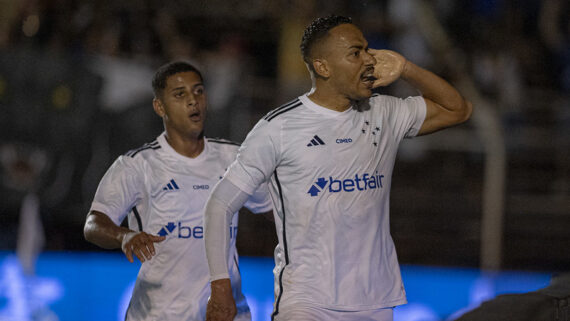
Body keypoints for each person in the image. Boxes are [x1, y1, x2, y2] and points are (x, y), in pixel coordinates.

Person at [204, 15, 472, 321]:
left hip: (374, 300)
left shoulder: (383, 112)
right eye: (356, 53)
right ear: (323, 67)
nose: (370, 59)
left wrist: (406, 68)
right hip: (307, 302)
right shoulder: (278, 128)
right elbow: (220, 203)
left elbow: (458, 109)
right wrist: (221, 285)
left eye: (368, 50)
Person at [83, 61, 272, 321]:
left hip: (225, 312)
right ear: (159, 106)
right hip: (158, 314)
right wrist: (124, 236)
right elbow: (93, 224)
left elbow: (278, 208)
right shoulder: (138, 165)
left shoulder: (233, 158)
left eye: (198, 91)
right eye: (180, 94)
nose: (193, 101)